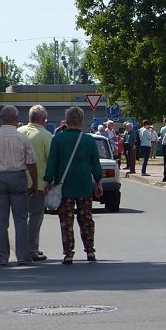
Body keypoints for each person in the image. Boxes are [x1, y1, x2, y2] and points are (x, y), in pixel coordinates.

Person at [0, 105, 39, 266]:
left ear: (1, 119)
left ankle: (3, 256)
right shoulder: (22, 138)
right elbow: (31, 163)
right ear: (16, 119)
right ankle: (22, 256)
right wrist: (34, 183)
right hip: (18, 177)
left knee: (1, 219)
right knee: (21, 218)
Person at [44, 106, 103, 264]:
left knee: (66, 221)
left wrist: (48, 181)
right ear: (82, 121)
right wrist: (98, 182)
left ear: (66, 121)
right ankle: (90, 250)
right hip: (84, 186)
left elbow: (52, 164)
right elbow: (95, 165)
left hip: (64, 188)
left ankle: (68, 253)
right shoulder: (89, 140)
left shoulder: (58, 139)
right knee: (86, 220)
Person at [18, 104, 53, 262]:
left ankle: (22, 249)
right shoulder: (46, 136)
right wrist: (49, 181)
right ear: (44, 119)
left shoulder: (18, 132)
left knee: (20, 217)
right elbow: (51, 160)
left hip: (17, 181)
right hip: (37, 182)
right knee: (35, 217)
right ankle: (31, 249)